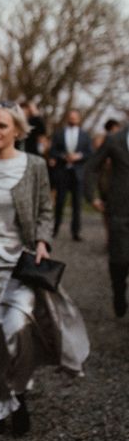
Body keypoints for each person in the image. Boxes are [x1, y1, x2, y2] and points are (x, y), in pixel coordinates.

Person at [0, 102, 89, 436]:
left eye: (1, 126)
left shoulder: (35, 166)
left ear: (17, 129)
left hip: (21, 264)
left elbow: (45, 210)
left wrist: (42, 241)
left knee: (16, 329)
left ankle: (18, 392)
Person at [84, 120, 129, 317]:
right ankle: (118, 293)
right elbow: (92, 167)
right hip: (119, 210)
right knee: (119, 260)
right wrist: (91, 196)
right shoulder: (114, 140)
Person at [49, 109, 92, 240]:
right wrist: (63, 156)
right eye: (71, 117)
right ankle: (54, 229)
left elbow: (89, 153)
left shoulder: (85, 135)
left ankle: (75, 232)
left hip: (78, 174)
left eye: (75, 117)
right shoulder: (59, 134)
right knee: (60, 203)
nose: (73, 119)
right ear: (68, 118)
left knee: (77, 204)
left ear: (79, 119)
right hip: (63, 173)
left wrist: (78, 156)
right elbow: (52, 151)